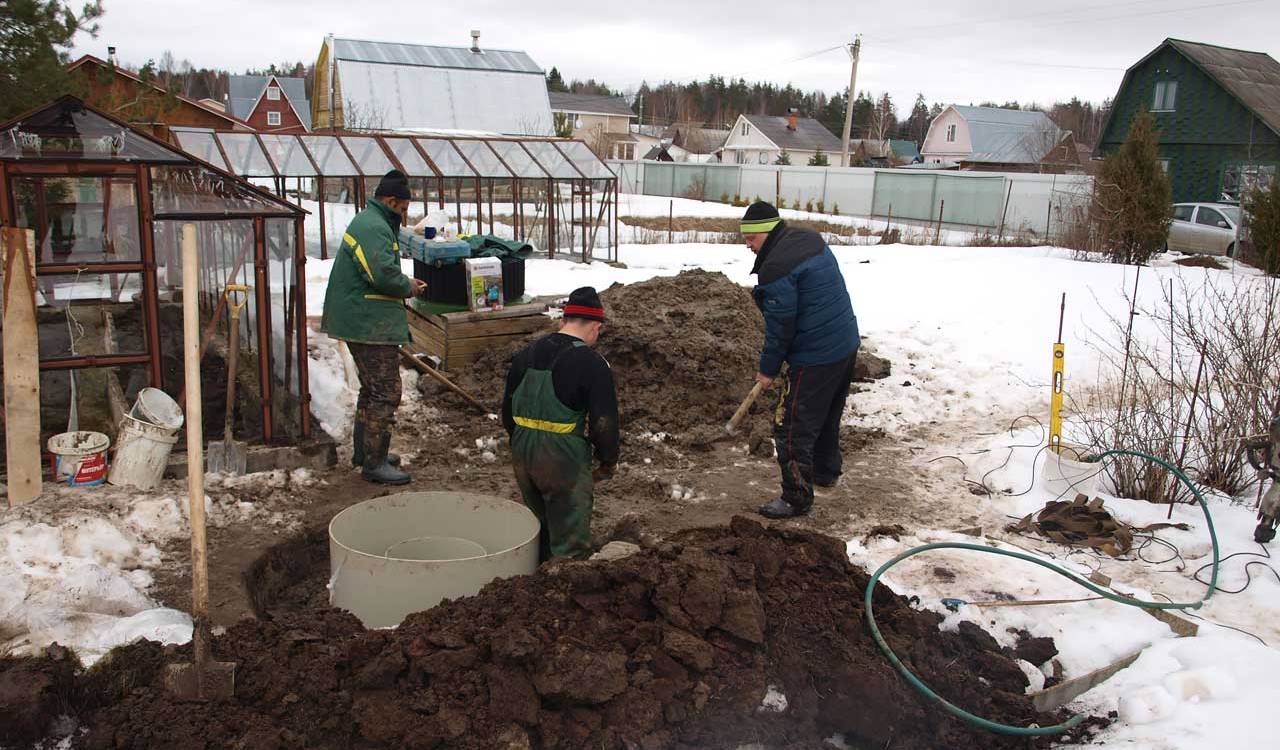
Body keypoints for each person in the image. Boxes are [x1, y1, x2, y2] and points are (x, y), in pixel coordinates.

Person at [740, 201, 860, 519]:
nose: (747, 245)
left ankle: (796, 497)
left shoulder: (777, 268)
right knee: (827, 411)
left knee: (790, 426)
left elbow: (780, 330)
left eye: (751, 238)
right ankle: (825, 471)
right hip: (845, 343)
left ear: (766, 232)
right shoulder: (808, 239)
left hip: (815, 355)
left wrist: (767, 370)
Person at [321, 169, 426, 485]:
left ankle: (366, 454)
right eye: (404, 208)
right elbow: (381, 275)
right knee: (386, 391)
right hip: (367, 322)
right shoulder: (374, 227)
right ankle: (374, 463)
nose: (406, 215)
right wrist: (408, 286)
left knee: (372, 390)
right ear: (392, 201)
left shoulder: (373, 221)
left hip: (362, 318)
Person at [502, 287, 619, 560]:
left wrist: (522, 440)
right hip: (562, 454)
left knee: (538, 524)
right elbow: (604, 422)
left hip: (522, 449)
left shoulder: (525, 354)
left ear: (564, 321)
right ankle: (563, 587)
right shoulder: (592, 362)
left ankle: (536, 573)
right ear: (595, 327)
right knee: (569, 535)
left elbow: (507, 411)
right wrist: (607, 460)